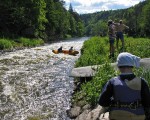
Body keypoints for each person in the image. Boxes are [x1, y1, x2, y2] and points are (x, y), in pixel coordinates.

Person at [98, 52, 150, 120]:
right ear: (132, 66)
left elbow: (102, 101)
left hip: (116, 116)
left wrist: (114, 103)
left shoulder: (112, 82)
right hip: (138, 117)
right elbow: (147, 103)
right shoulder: (142, 82)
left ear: (118, 66)